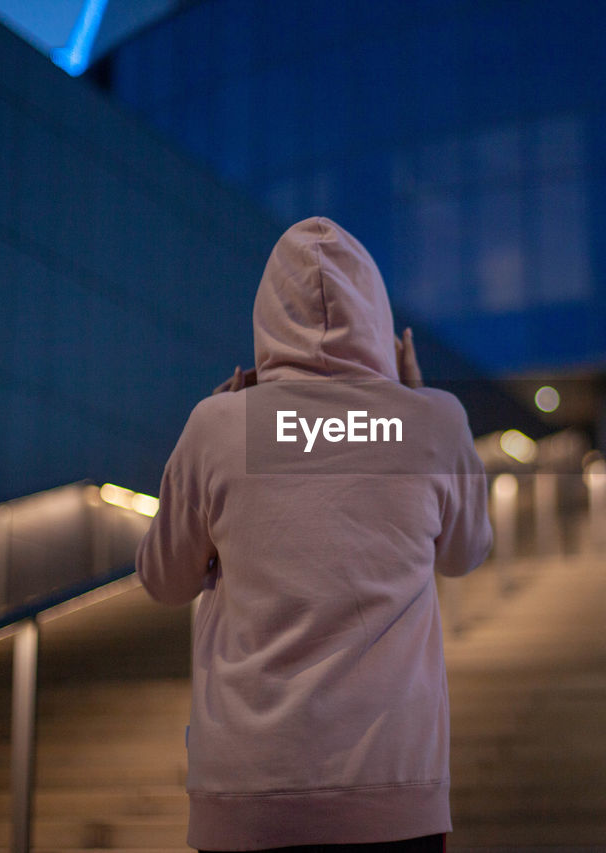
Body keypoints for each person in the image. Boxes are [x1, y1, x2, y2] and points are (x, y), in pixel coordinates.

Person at [136, 217, 493, 853]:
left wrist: (229, 422)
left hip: (245, 798)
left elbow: (164, 581)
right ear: (379, 320)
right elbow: (468, 551)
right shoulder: (434, 421)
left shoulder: (219, 427)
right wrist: (408, 400)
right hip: (396, 796)